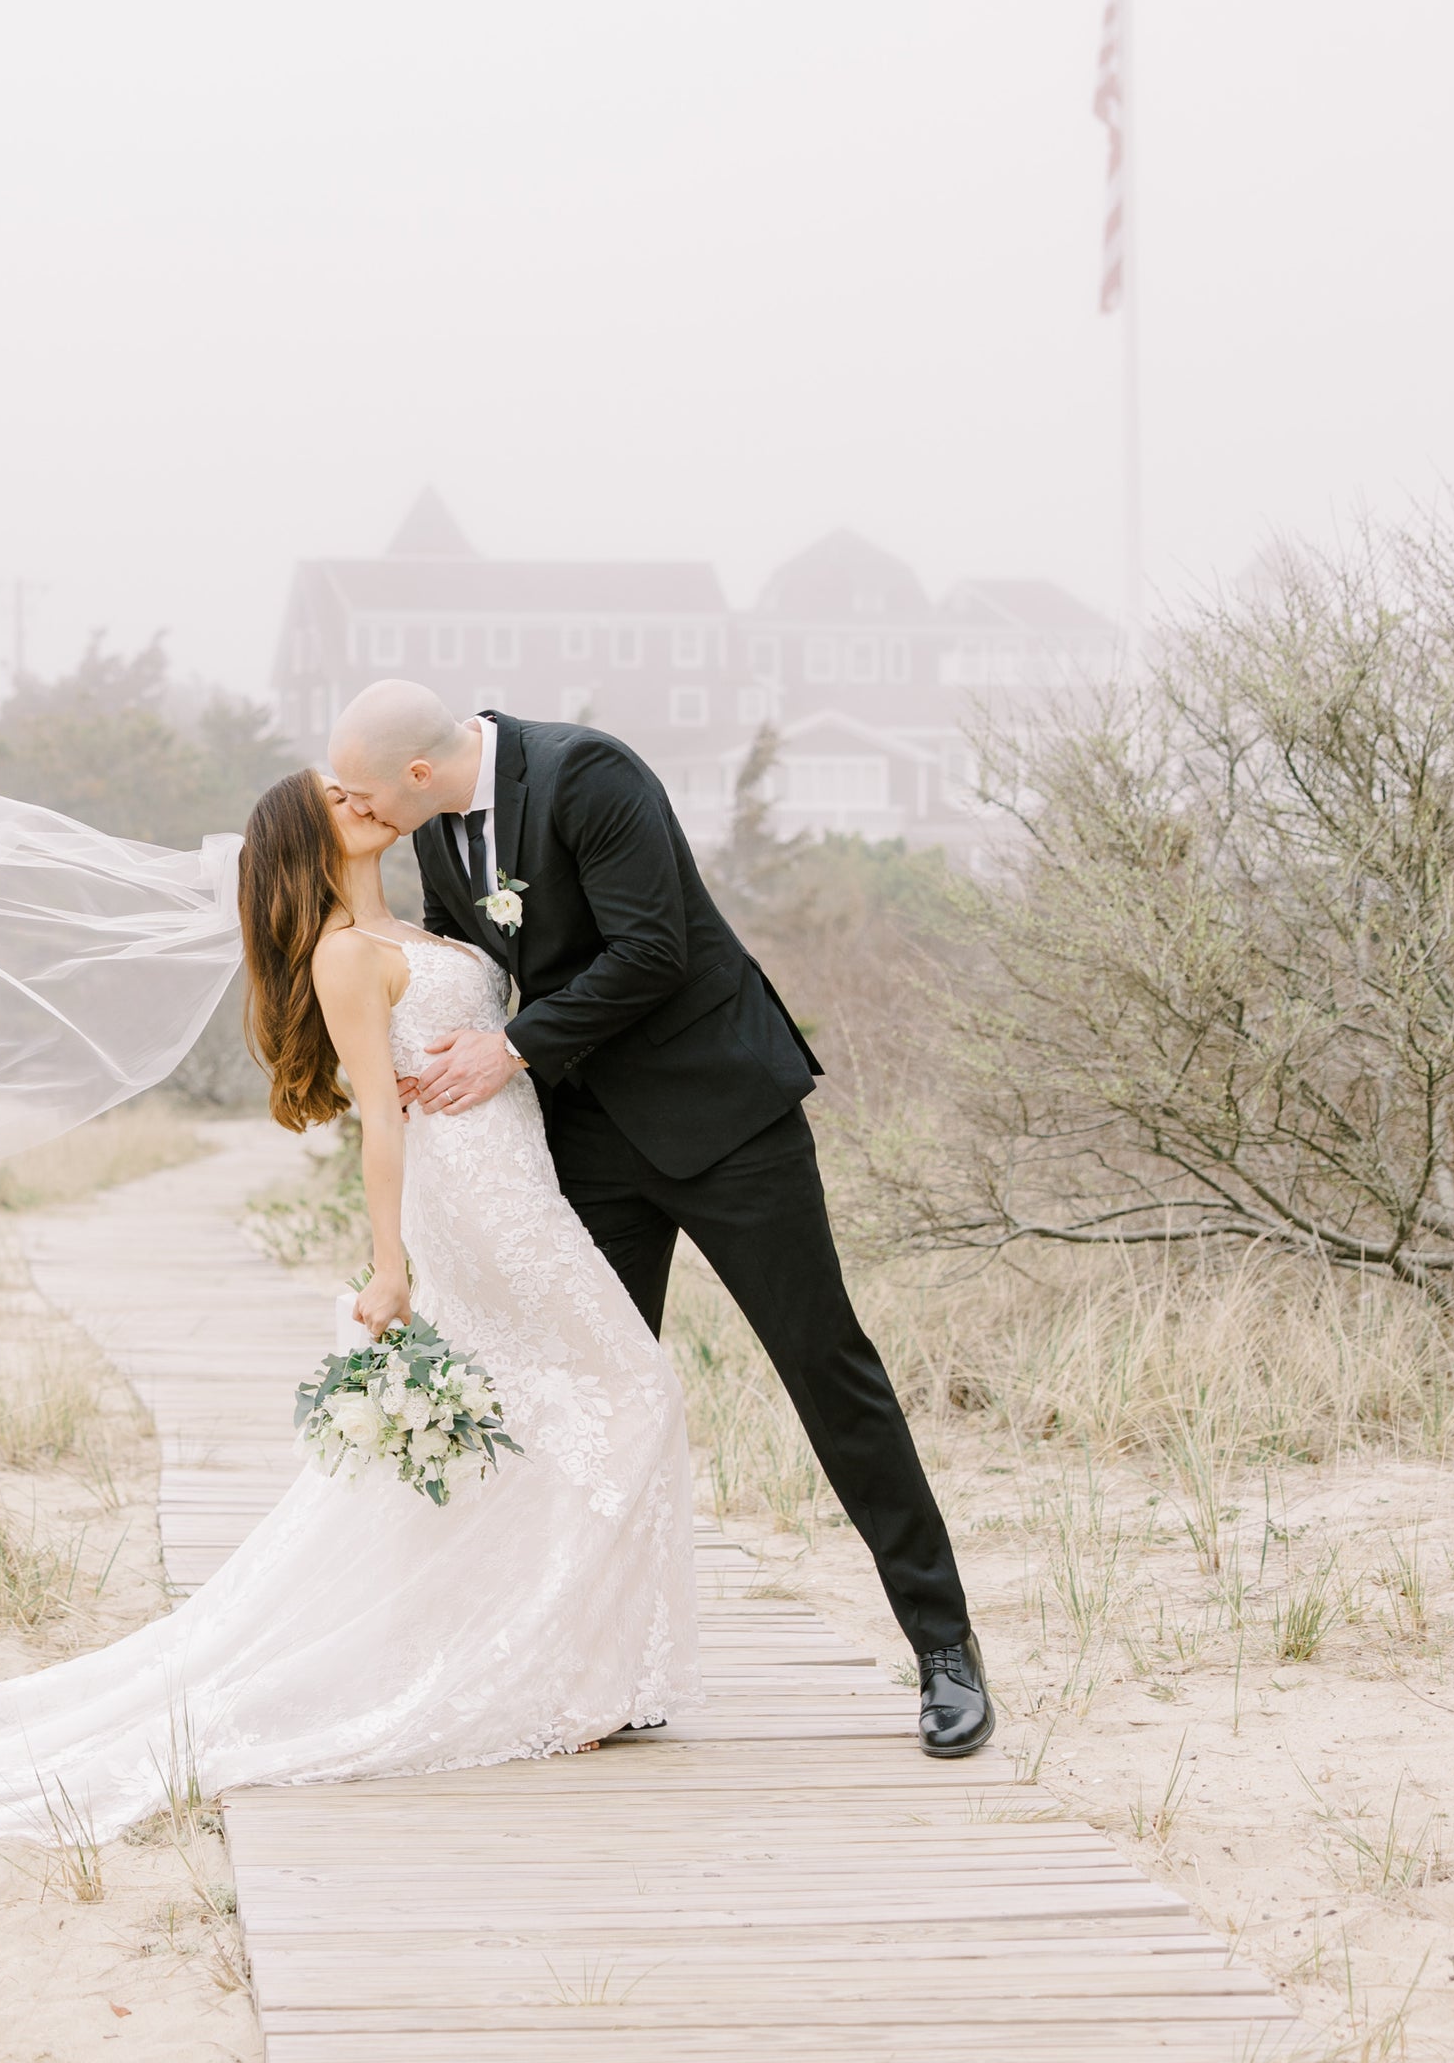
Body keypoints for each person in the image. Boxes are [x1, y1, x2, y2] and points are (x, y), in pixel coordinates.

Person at [0, 767, 699, 1838]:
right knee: (629, 1387)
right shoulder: (344, 955)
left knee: (583, 1402)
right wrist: (390, 1262)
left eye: (358, 787)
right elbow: (380, 1120)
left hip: (523, 1176)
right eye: (336, 799)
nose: (360, 797)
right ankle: (571, 1677)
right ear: (307, 844)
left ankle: (575, 1672)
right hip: (476, 1206)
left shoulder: (427, 924)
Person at [325, 678, 991, 1759]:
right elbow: (469, 965)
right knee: (594, 1394)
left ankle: (946, 1651)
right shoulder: (437, 831)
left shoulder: (590, 774)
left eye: (359, 796)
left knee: (829, 1367)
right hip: (586, 1144)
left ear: (414, 772)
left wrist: (511, 1049)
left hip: (724, 1119)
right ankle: (609, 1669)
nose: (354, 813)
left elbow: (653, 949)